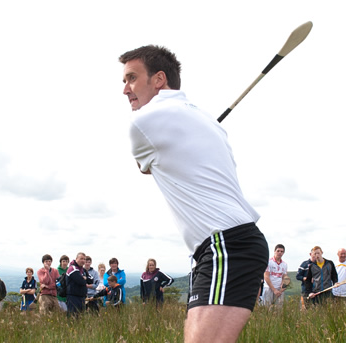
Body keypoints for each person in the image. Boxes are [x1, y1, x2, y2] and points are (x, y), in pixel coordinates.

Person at [120, 45, 268, 343]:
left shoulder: (142, 122)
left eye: (132, 78)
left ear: (159, 79)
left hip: (226, 244)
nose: (125, 89)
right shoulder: (203, 119)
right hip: (219, 247)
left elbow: (144, 166)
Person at [66, 252, 88, 317]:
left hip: (81, 297)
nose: (83, 261)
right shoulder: (73, 268)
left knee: (81, 318)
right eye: (81, 258)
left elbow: (91, 280)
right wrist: (84, 279)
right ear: (76, 259)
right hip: (73, 297)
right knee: (73, 317)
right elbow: (81, 281)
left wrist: (85, 278)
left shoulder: (82, 269)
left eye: (84, 259)